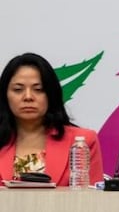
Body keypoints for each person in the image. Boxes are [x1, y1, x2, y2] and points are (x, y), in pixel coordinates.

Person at [0, 52, 105, 186]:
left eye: (38, 89)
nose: (28, 97)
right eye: (18, 89)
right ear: (5, 95)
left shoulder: (82, 142)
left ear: (51, 94)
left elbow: (93, 200)